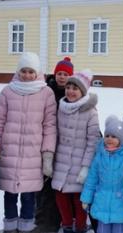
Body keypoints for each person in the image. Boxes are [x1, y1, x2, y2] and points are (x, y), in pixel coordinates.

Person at [0, 52, 57, 233]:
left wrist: (48, 155)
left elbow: (49, 126)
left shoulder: (46, 93)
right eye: (24, 71)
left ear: (37, 73)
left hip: (33, 155)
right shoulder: (7, 91)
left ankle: (27, 227)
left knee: (29, 196)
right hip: (9, 154)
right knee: (10, 195)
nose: (27, 75)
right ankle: (10, 227)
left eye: (31, 71)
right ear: (18, 72)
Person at [51, 69, 100, 233]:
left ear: (83, 91)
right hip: (62, 162)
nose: (70, 91)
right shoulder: (61, 107)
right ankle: (66, 226)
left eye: (75, 88)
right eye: (68, 87)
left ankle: (80, 227)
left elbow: (93, 141)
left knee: (79, 199)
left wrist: (86, 167)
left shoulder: (90, 111)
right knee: (61, 195)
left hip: (79, 163)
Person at [33, 56, 74, 233]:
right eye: (59, 73)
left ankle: (65, 220)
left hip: (66, 145)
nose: (62, 77)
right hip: (45, 143)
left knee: (63, 186)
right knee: (44, 186)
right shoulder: (45, 91)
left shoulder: (74, 92)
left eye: (65, 74)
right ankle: (45, 222)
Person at [80, 115, 123, 233]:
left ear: (122, 139)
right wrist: (86, 198)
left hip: (121, 205)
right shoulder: (99, 158)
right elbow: (92, 180)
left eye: (114, 136)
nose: (109, 139)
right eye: (107, 135)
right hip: (102, 203)